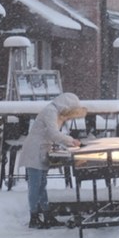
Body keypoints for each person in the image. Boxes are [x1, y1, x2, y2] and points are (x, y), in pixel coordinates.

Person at [21, 92, 85, 229]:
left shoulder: (54, 112)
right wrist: (71, 141)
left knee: (41, 185)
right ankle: (34, 216)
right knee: (35, 186)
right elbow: (54, 133)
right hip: (34, 151)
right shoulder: (51, 112)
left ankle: (46, 214)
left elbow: (52, 134)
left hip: (41, 150)